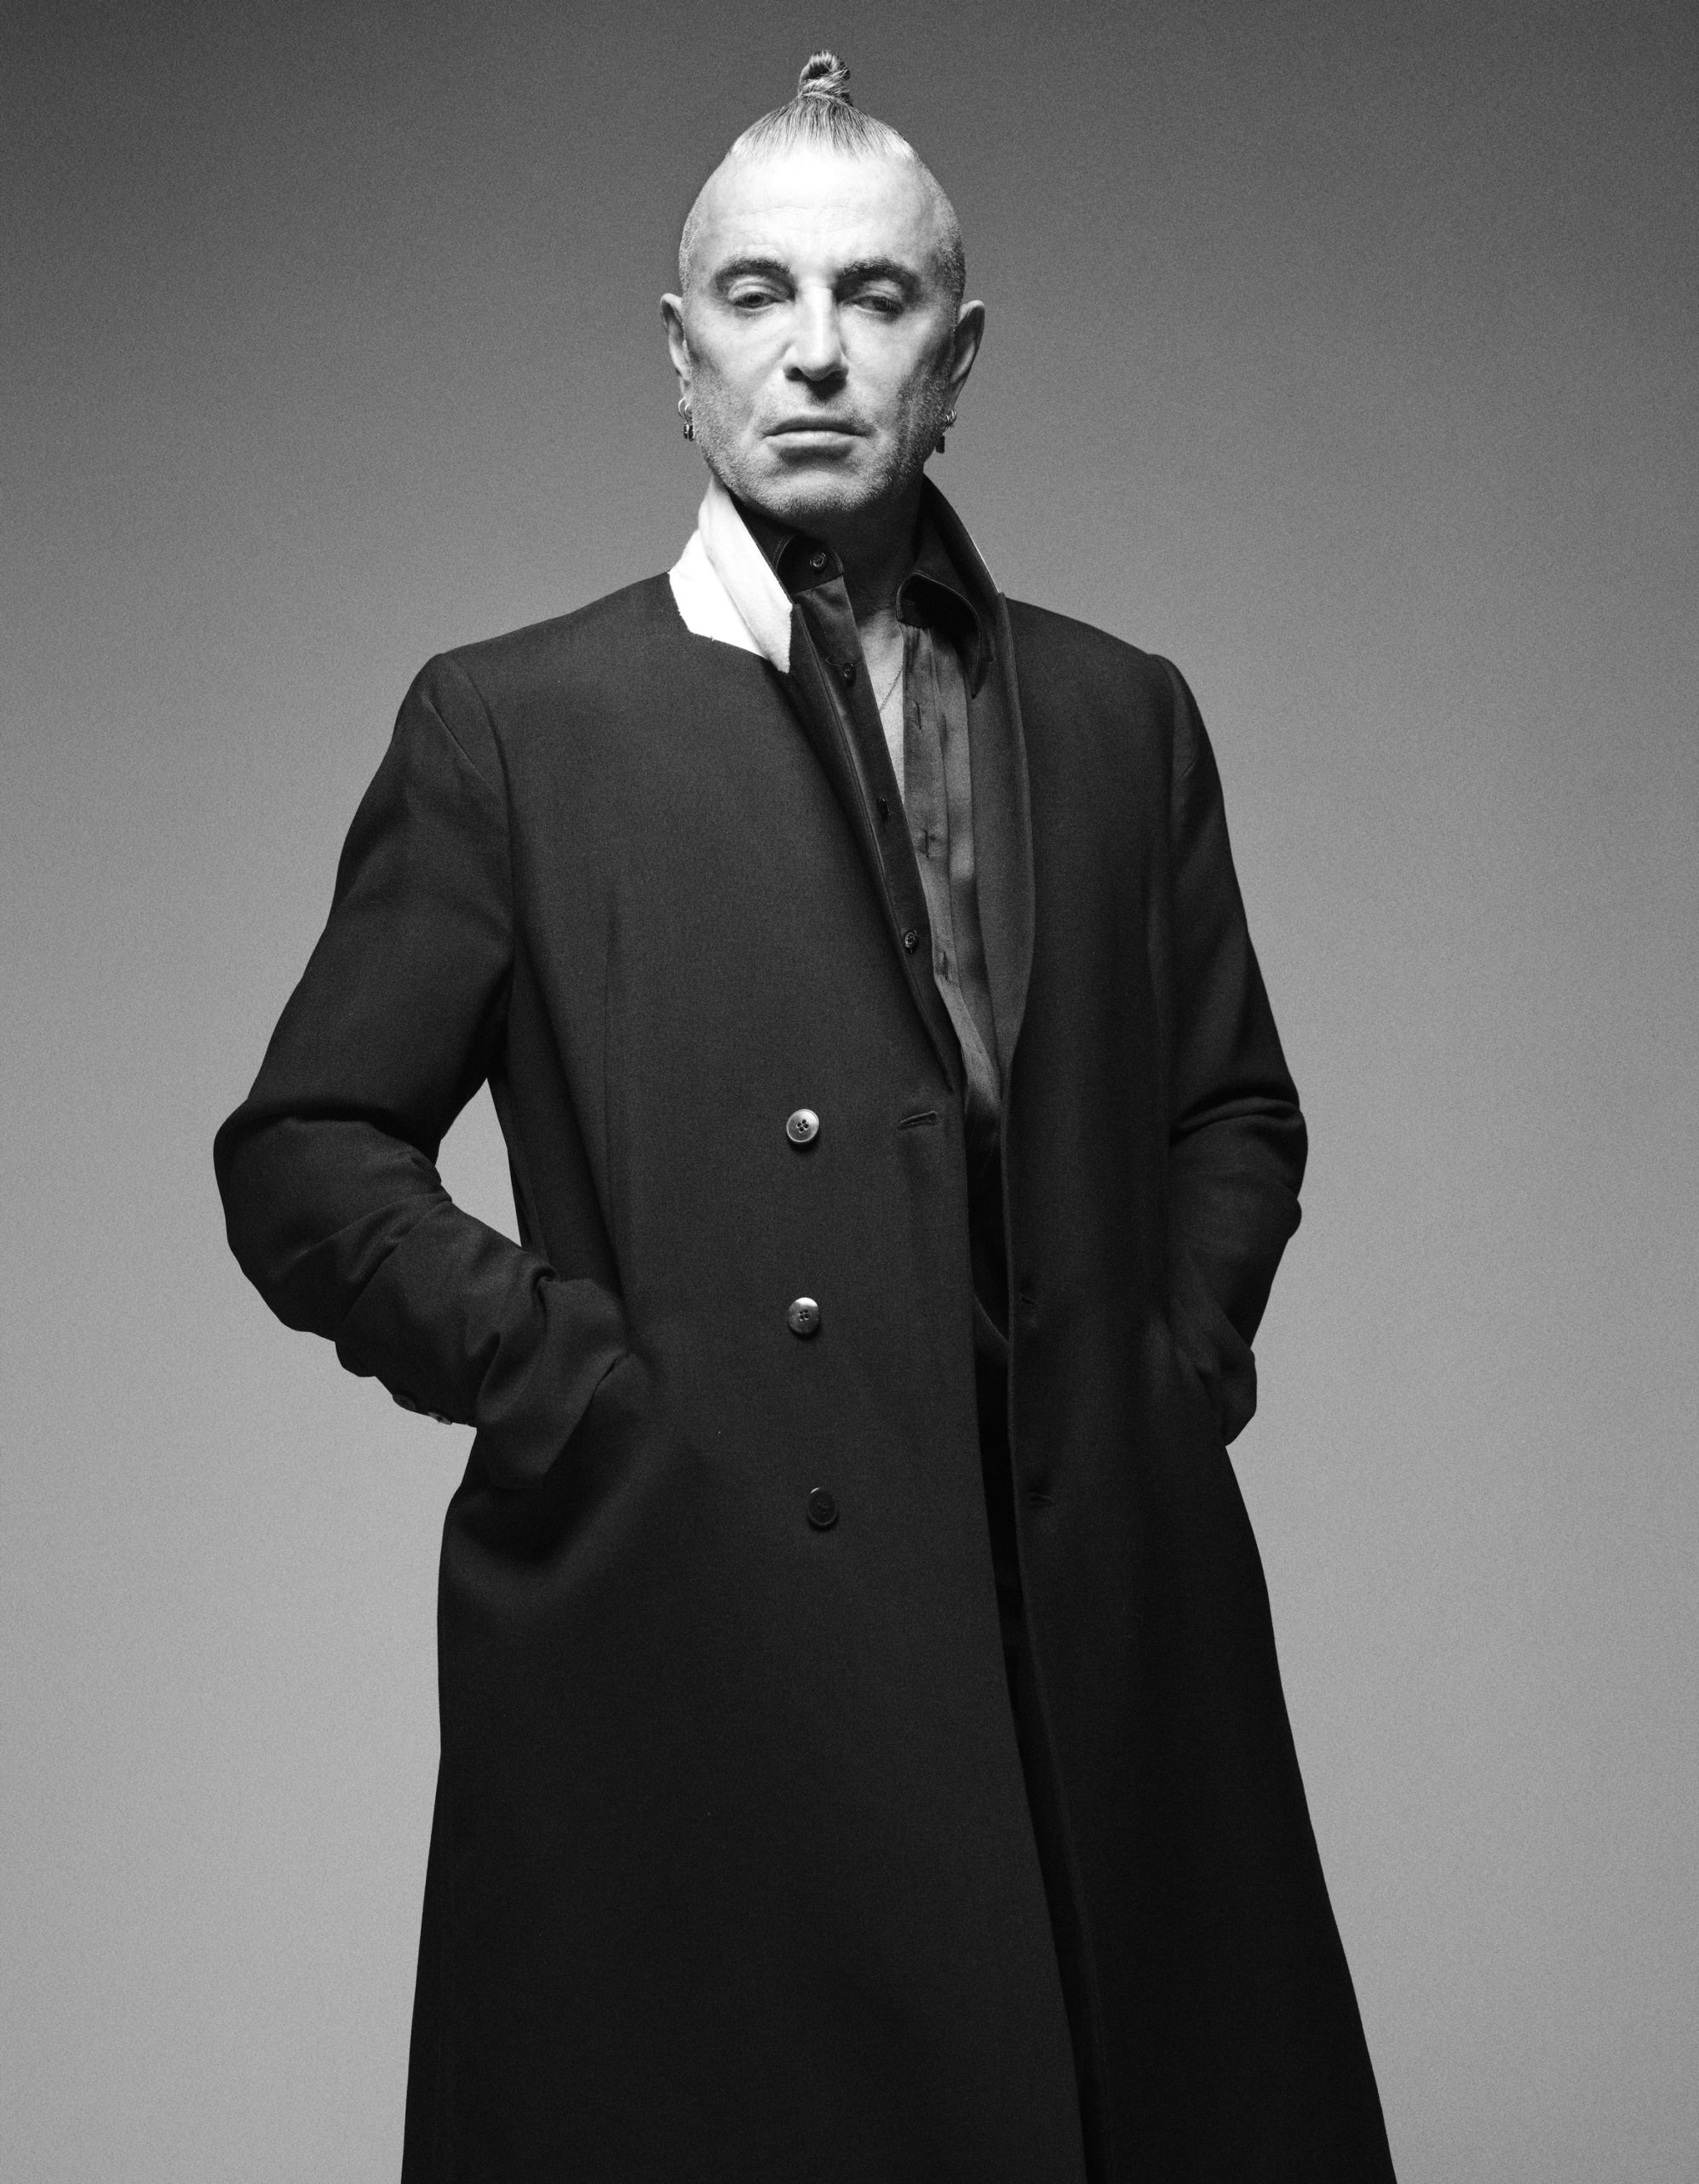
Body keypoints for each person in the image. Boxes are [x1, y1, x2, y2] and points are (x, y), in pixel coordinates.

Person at [215, 51, 1396, 2184]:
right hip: (703, 1628)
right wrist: (577, 1383)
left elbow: (1233, 1105)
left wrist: (1167, 1367)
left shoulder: (1121, 716)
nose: (818, 349)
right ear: (680, 361)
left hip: (1092, 1622)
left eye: (875, 297)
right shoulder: (514, 726)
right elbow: (305, 1150)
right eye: (759, 295)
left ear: (960, 359)